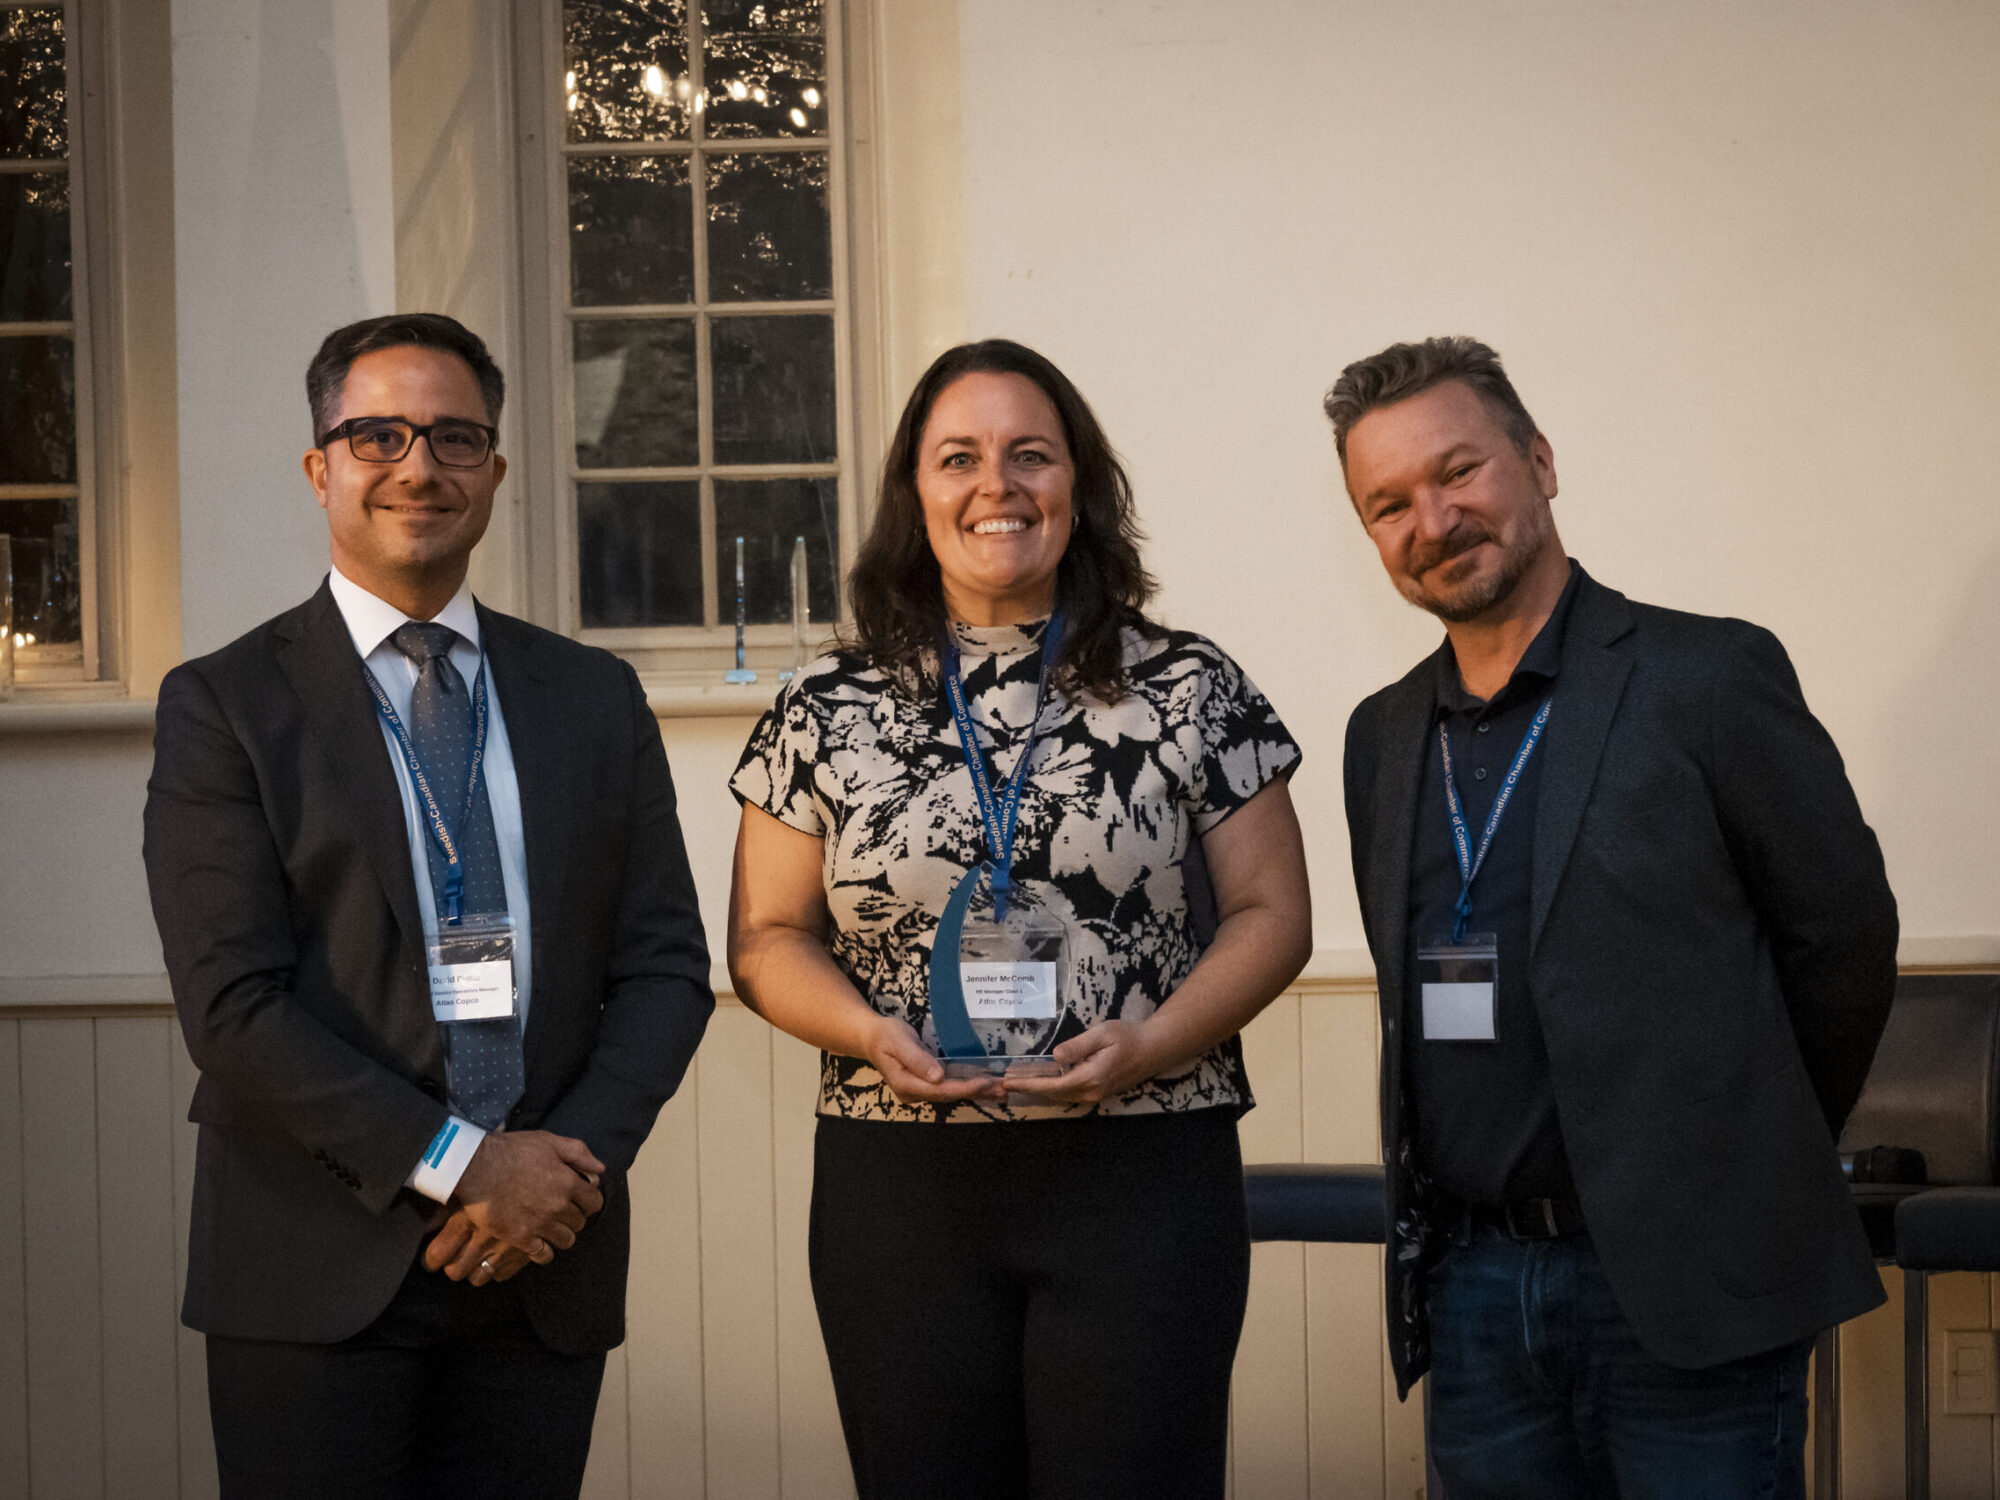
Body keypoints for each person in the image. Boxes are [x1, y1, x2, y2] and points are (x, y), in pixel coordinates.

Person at [727, 338, 1312, 1499]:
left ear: (1079, 486)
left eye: (1028, 455)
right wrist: (862, 1033)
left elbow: (1271, 914)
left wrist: (1149, 1045)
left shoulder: (1191, 685)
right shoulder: (820, 706)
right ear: (914, 495)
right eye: (958, 458)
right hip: (901, 1191)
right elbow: (765, 939)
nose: (995, 486)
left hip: (1143, 1174)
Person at [143, 312, 713, 1498]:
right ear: (321, 468)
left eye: (455, 438)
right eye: (378, 435)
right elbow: (233, 1007)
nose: (418, 466)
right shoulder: (226, 703)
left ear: (495, 472)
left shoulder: (592, 696)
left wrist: (558, 1176)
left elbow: (663, 967)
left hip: (537, 1267)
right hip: (311, 1269)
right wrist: (462, 1164)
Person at [1328, 335, 1897, 1498]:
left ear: (1537, 461)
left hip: (1687, 1281)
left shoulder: (1706, 676)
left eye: (1458, 473)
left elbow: (1840, 945)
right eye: (1387, 504)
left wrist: (1739, 1154)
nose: (1430, 521)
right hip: (1473, 1285)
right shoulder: (1379, 737)